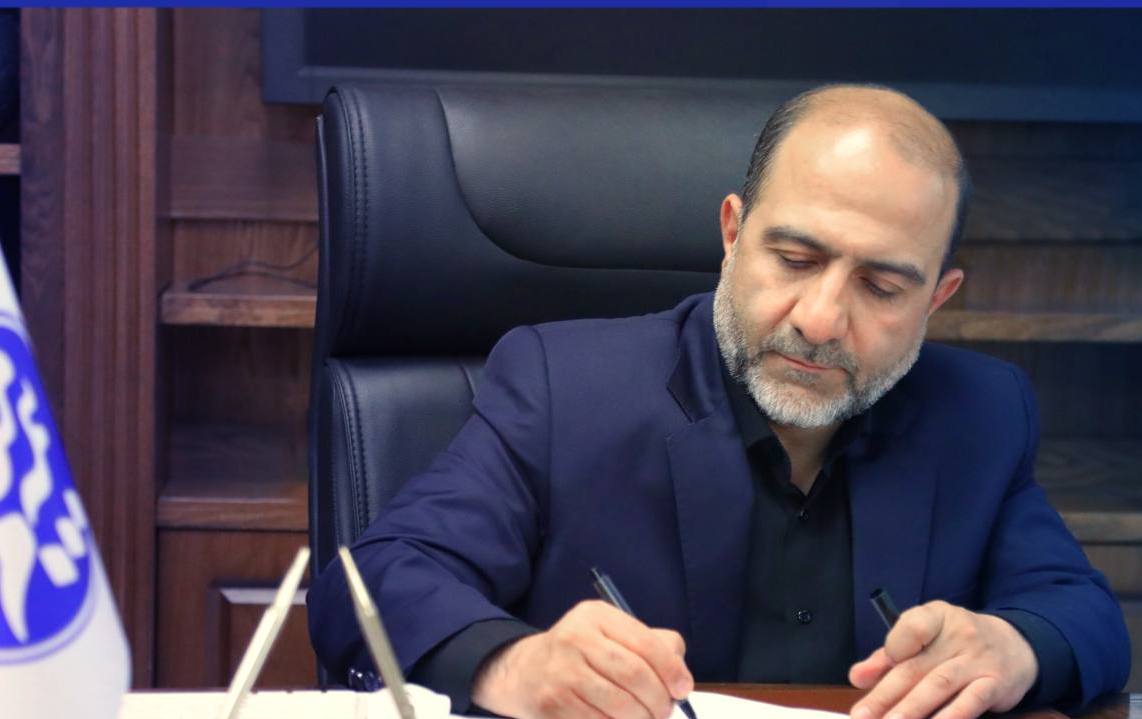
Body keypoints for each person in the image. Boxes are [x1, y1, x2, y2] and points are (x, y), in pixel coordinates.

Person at [307, 85, 1130, 719]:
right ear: (734, 233)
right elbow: (369, 583)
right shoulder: (564, 386)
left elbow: (1086, 614)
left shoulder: (979, 413)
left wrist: (1013, 645)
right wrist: (511, 664)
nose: (821, 320)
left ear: (936, 299)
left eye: (882, 286)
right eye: (796, 259)